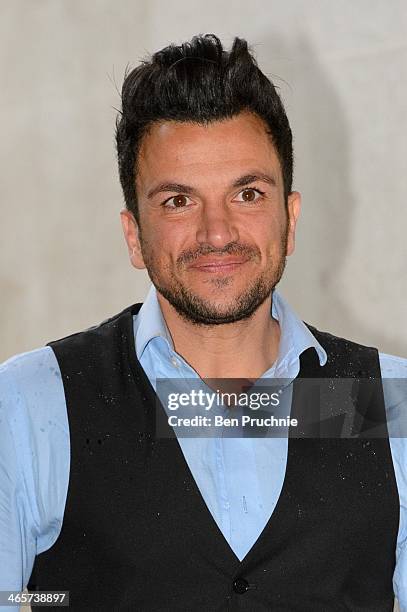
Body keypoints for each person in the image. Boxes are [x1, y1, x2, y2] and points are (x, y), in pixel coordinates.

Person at [0, 33, 406, 611]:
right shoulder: (28, 404)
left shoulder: (384, 403)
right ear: (134, 235)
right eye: (178, 201)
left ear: (289, 220)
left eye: (246, 192)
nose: (217, 233)